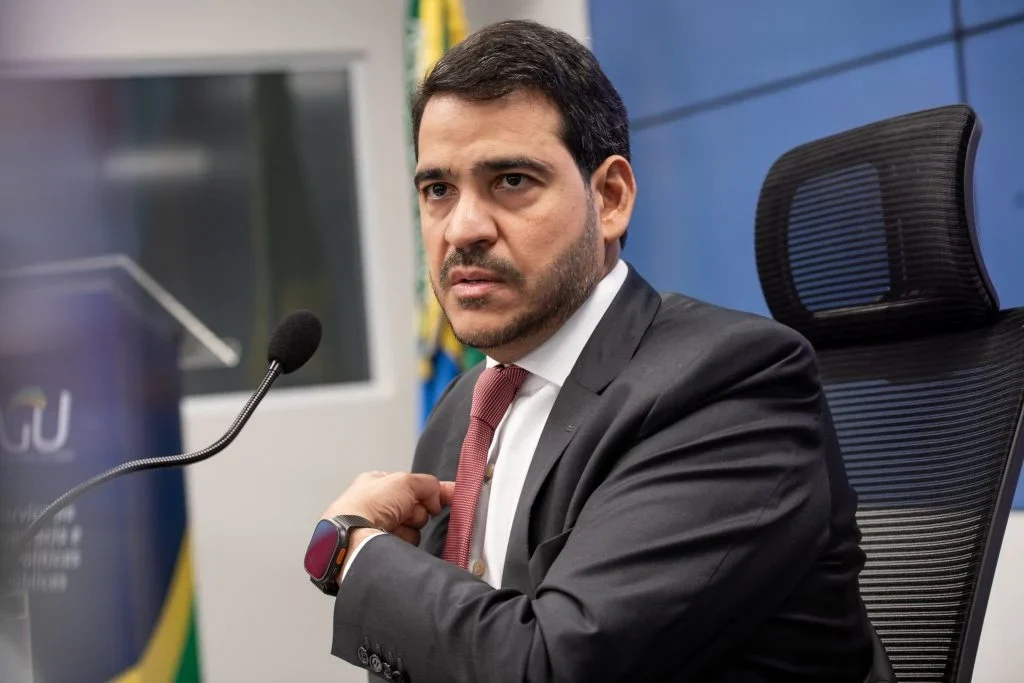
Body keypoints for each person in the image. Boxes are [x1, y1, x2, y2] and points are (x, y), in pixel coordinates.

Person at [309, 19, 892, 683]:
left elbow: (555, 666)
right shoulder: (464, 407)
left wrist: (353, 551)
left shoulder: (731, 383)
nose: (463, 228)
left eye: (511, 180)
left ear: (610, 198)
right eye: (438, 190)